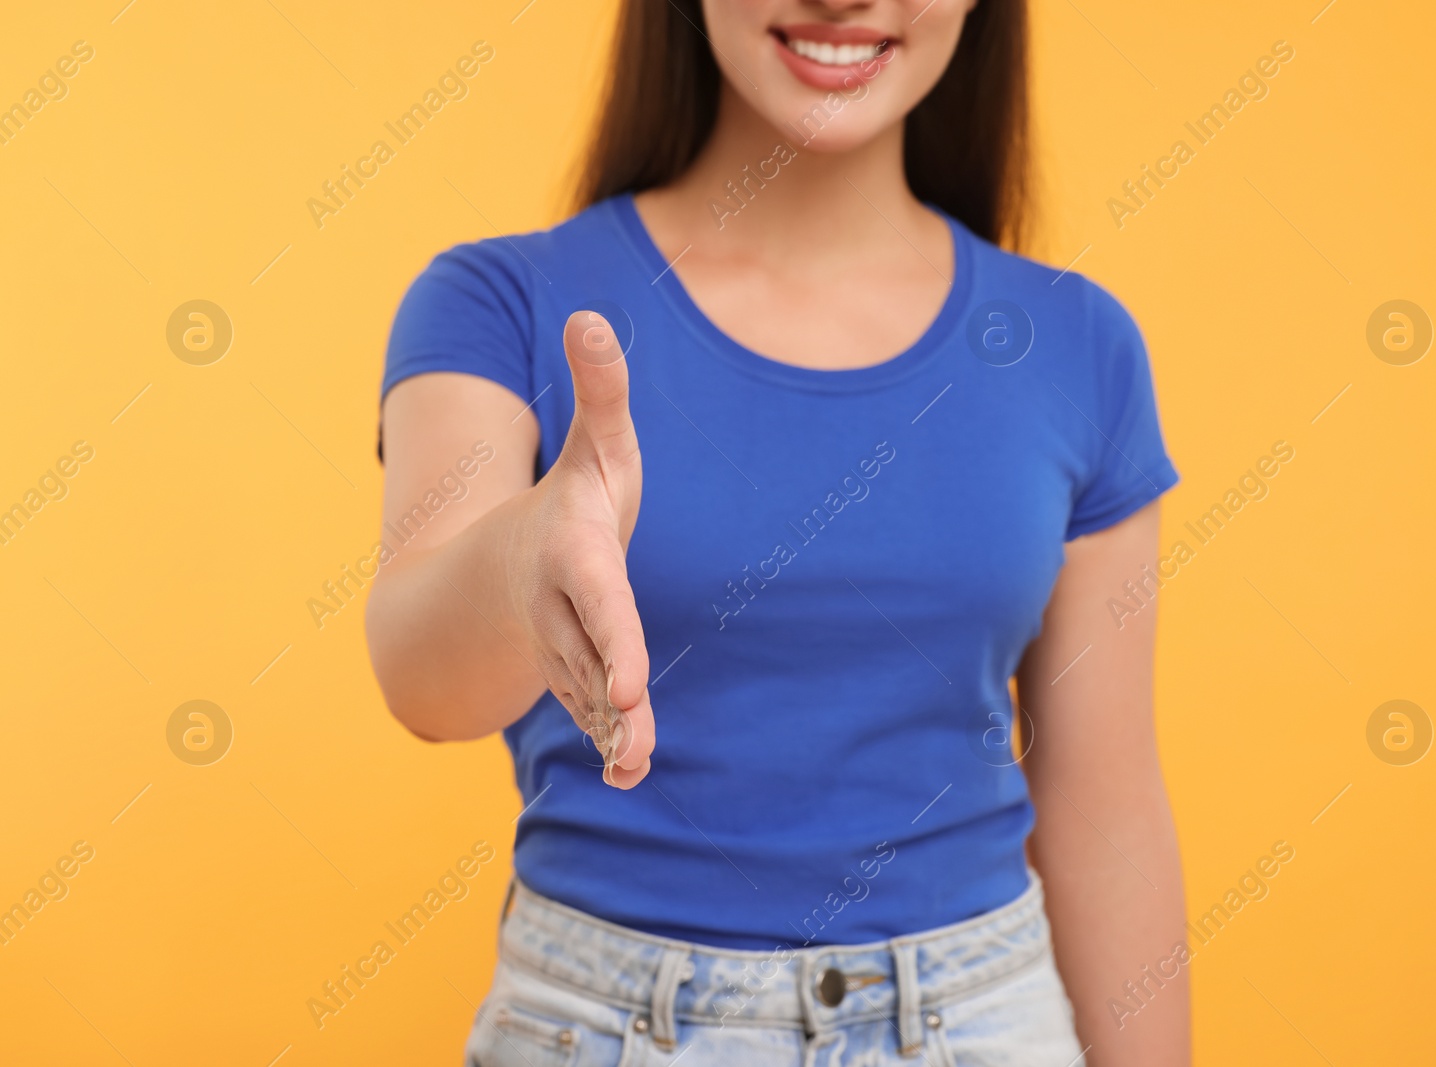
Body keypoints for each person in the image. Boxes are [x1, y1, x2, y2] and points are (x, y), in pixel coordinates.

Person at [366, 0, 1190, 1063]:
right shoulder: (499, 302)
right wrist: (529, 552)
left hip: (985, 1021)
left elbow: (1104, 808)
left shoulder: (1077, 346)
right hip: (605, 1021)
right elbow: (422, 682)